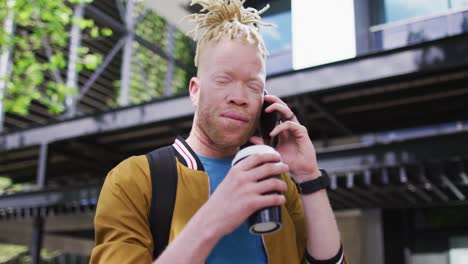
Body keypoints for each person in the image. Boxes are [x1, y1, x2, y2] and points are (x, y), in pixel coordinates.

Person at [90, 0, 347, 263]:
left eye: (254, 86)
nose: (239, 97)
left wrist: (308, 177)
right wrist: (214, 217)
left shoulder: (279, 184)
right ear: (195, 90)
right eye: (224, 80)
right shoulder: (133, 179)